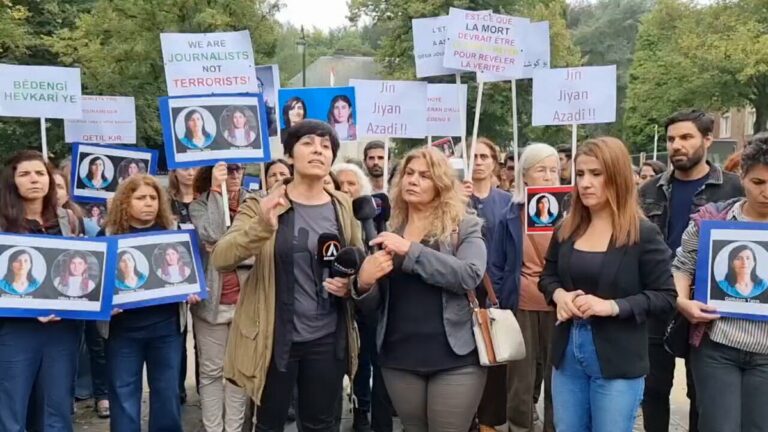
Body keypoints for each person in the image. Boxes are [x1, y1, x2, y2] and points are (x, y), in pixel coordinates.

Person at [210, 119, 363, 431]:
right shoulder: (261, 204)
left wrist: (352, 284)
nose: (318, 151)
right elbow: (222, 257)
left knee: (321, 424)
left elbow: (357, 259)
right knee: (269, 424)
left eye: (326, 147)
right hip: (273, 337)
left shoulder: (342, 206)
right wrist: (262, 227)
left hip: (328, 337)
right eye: (308, 143)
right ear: (290, 155)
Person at [539, 137, 678, 432]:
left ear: (616, 176)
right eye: (580, 174)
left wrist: (613, 306)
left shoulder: (643, 233)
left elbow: (666, 297)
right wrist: (559, 295)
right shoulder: (566, 228)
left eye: (596, 174)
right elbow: (547, 277)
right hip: (568, 355)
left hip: (618, 357)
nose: (586, 183)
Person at [354, 147, 488, 432]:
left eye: (424, 176)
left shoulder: (463, 226)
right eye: (409, 174)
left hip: (455, 358)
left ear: (440, 184)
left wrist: (410, 251)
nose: (413, 180)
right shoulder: (386, 230)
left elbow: (469, 275)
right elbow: (375, 303)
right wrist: (363, 283)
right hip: (399, 358)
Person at [638, 109, 744, 432]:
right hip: (658, 301)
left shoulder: (734, 189)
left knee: (703, 394)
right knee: (653, 390)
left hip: (710, 304)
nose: (676, 145)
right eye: (671, 139)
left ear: (708, 139)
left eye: (686, 137)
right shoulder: (649, 191)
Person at [672, 132, 768, 431]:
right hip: (718, 347)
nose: (766, 192)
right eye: (758, 183)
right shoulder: (713, 220)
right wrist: (682, 301)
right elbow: (682, 264)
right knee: (718, 426)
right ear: (742, 176)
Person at [98, 174, 200, 432]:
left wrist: (192, 290)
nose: (148, 203)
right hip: (122, 331)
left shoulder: (174, 232)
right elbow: (96, 284)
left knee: (167, 394)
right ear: (125, 201)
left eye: (153, 198)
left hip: (165, 329)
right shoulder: (107, 234)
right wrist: (102, 305)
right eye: (140, 197)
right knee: (123, 396)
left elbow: (189, 273)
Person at [0, 150, 81, 432]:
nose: (34, 179)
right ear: (12, 181)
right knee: (12, 412)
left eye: (40, 173)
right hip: (15, 330)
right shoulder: (2, 223)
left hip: (62, 330)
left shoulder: (68, 221)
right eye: (25, 174)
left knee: (56, 410)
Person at [492, 143, 561, 432]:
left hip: (560, 305)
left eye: (554, 170)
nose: (548, 176)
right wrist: (502, 300)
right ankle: (520, 426)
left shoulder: (570, 213)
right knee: (520, 377)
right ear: (525, 175)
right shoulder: (510, 215)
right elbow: (496, 263)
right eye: (541, 170)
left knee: (557, 376)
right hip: (520, 304)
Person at [189, 162, 250, 432]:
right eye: (228, 169)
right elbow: (212, 233)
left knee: (239, 373)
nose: (234, 174)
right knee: (212, 373)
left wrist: (227, 248)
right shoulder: (199, 205)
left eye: (239, 169)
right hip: (212, 305)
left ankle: (234, 429)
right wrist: (216, 189)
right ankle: (213, 429)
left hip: (247, 303)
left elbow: (262, 246)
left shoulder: (254, 202)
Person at [466, 138, 512, 432]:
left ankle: (490, 423)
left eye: (484, 156)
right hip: (462, 288)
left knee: (495, 358)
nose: (479, 161)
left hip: (495, 290)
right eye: (473, 156)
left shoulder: (507, 202)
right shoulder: (453, 197)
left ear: (494, 162)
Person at [52, 169, 84, 234]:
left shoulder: (74, 220)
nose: (55, 191)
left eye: (59, 187)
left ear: (67, 196)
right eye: (51, 186)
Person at [168, 167, 199, 231]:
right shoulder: (165, 199)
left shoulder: (207, 198)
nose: (191, 173)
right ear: (174, 172)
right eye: (185, 169)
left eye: (195, 168)